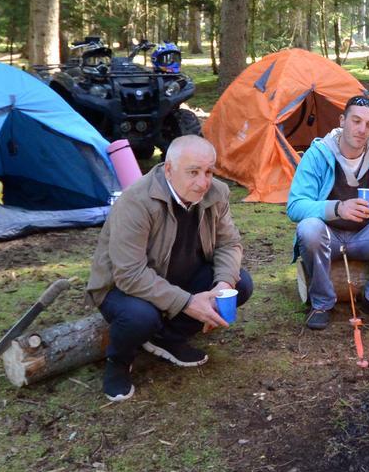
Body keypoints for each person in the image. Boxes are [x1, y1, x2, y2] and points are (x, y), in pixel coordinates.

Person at [87, 136, 251, 403]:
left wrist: (223, 285)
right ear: (169, 170)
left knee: (239, 284)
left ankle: (168, 338)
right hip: (121, 287)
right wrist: (188, 302)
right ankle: (118, 362)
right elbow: (129, 274)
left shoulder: (216, 193)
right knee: (140, 316)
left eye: (209, 172)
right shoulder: (136, 202)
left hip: (177, 275)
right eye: (193, 172)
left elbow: (229, 243)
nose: (203, 182)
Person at [287, 95, 369, 331]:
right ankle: (321, 303)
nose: (362, 130)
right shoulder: (318, 154)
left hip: (367, 237)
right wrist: (338, 208)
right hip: (327, 237)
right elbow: (295, 206)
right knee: (308, 228)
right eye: (356, 121)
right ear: (342, 120)